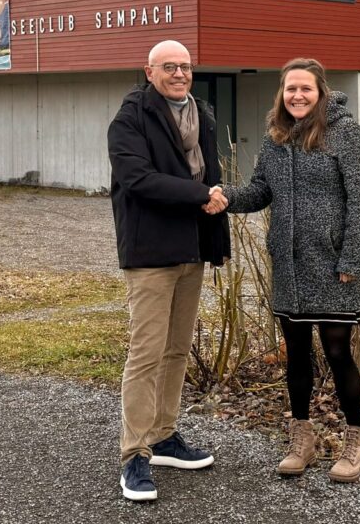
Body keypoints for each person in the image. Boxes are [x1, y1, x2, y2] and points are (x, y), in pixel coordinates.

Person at [207, 58, 360, 482]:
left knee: (338, 353)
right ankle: (302, 440)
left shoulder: (344, 132)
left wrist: (351, 258)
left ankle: (355, 443)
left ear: (320, 92)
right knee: (297, 354)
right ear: (281, 94)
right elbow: (262, 190)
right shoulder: (275, 137)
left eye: (305, 89)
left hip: (335, 266)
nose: (297, 96)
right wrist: (223, 195)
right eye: (290, 89)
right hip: (291, 267)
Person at [107, 40, 230, 502]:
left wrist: (214, 199)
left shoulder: (203, 114)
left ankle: (163, 436)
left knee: (177, 349)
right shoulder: (130, 118)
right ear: (149, 71)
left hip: (192, 247)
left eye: (185, 66)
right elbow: (137, 179)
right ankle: (133, 456)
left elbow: (207, 174)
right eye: (169, 67)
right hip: (151, 252)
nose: (179, 74)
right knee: (146, 353)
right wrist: (200, 195)